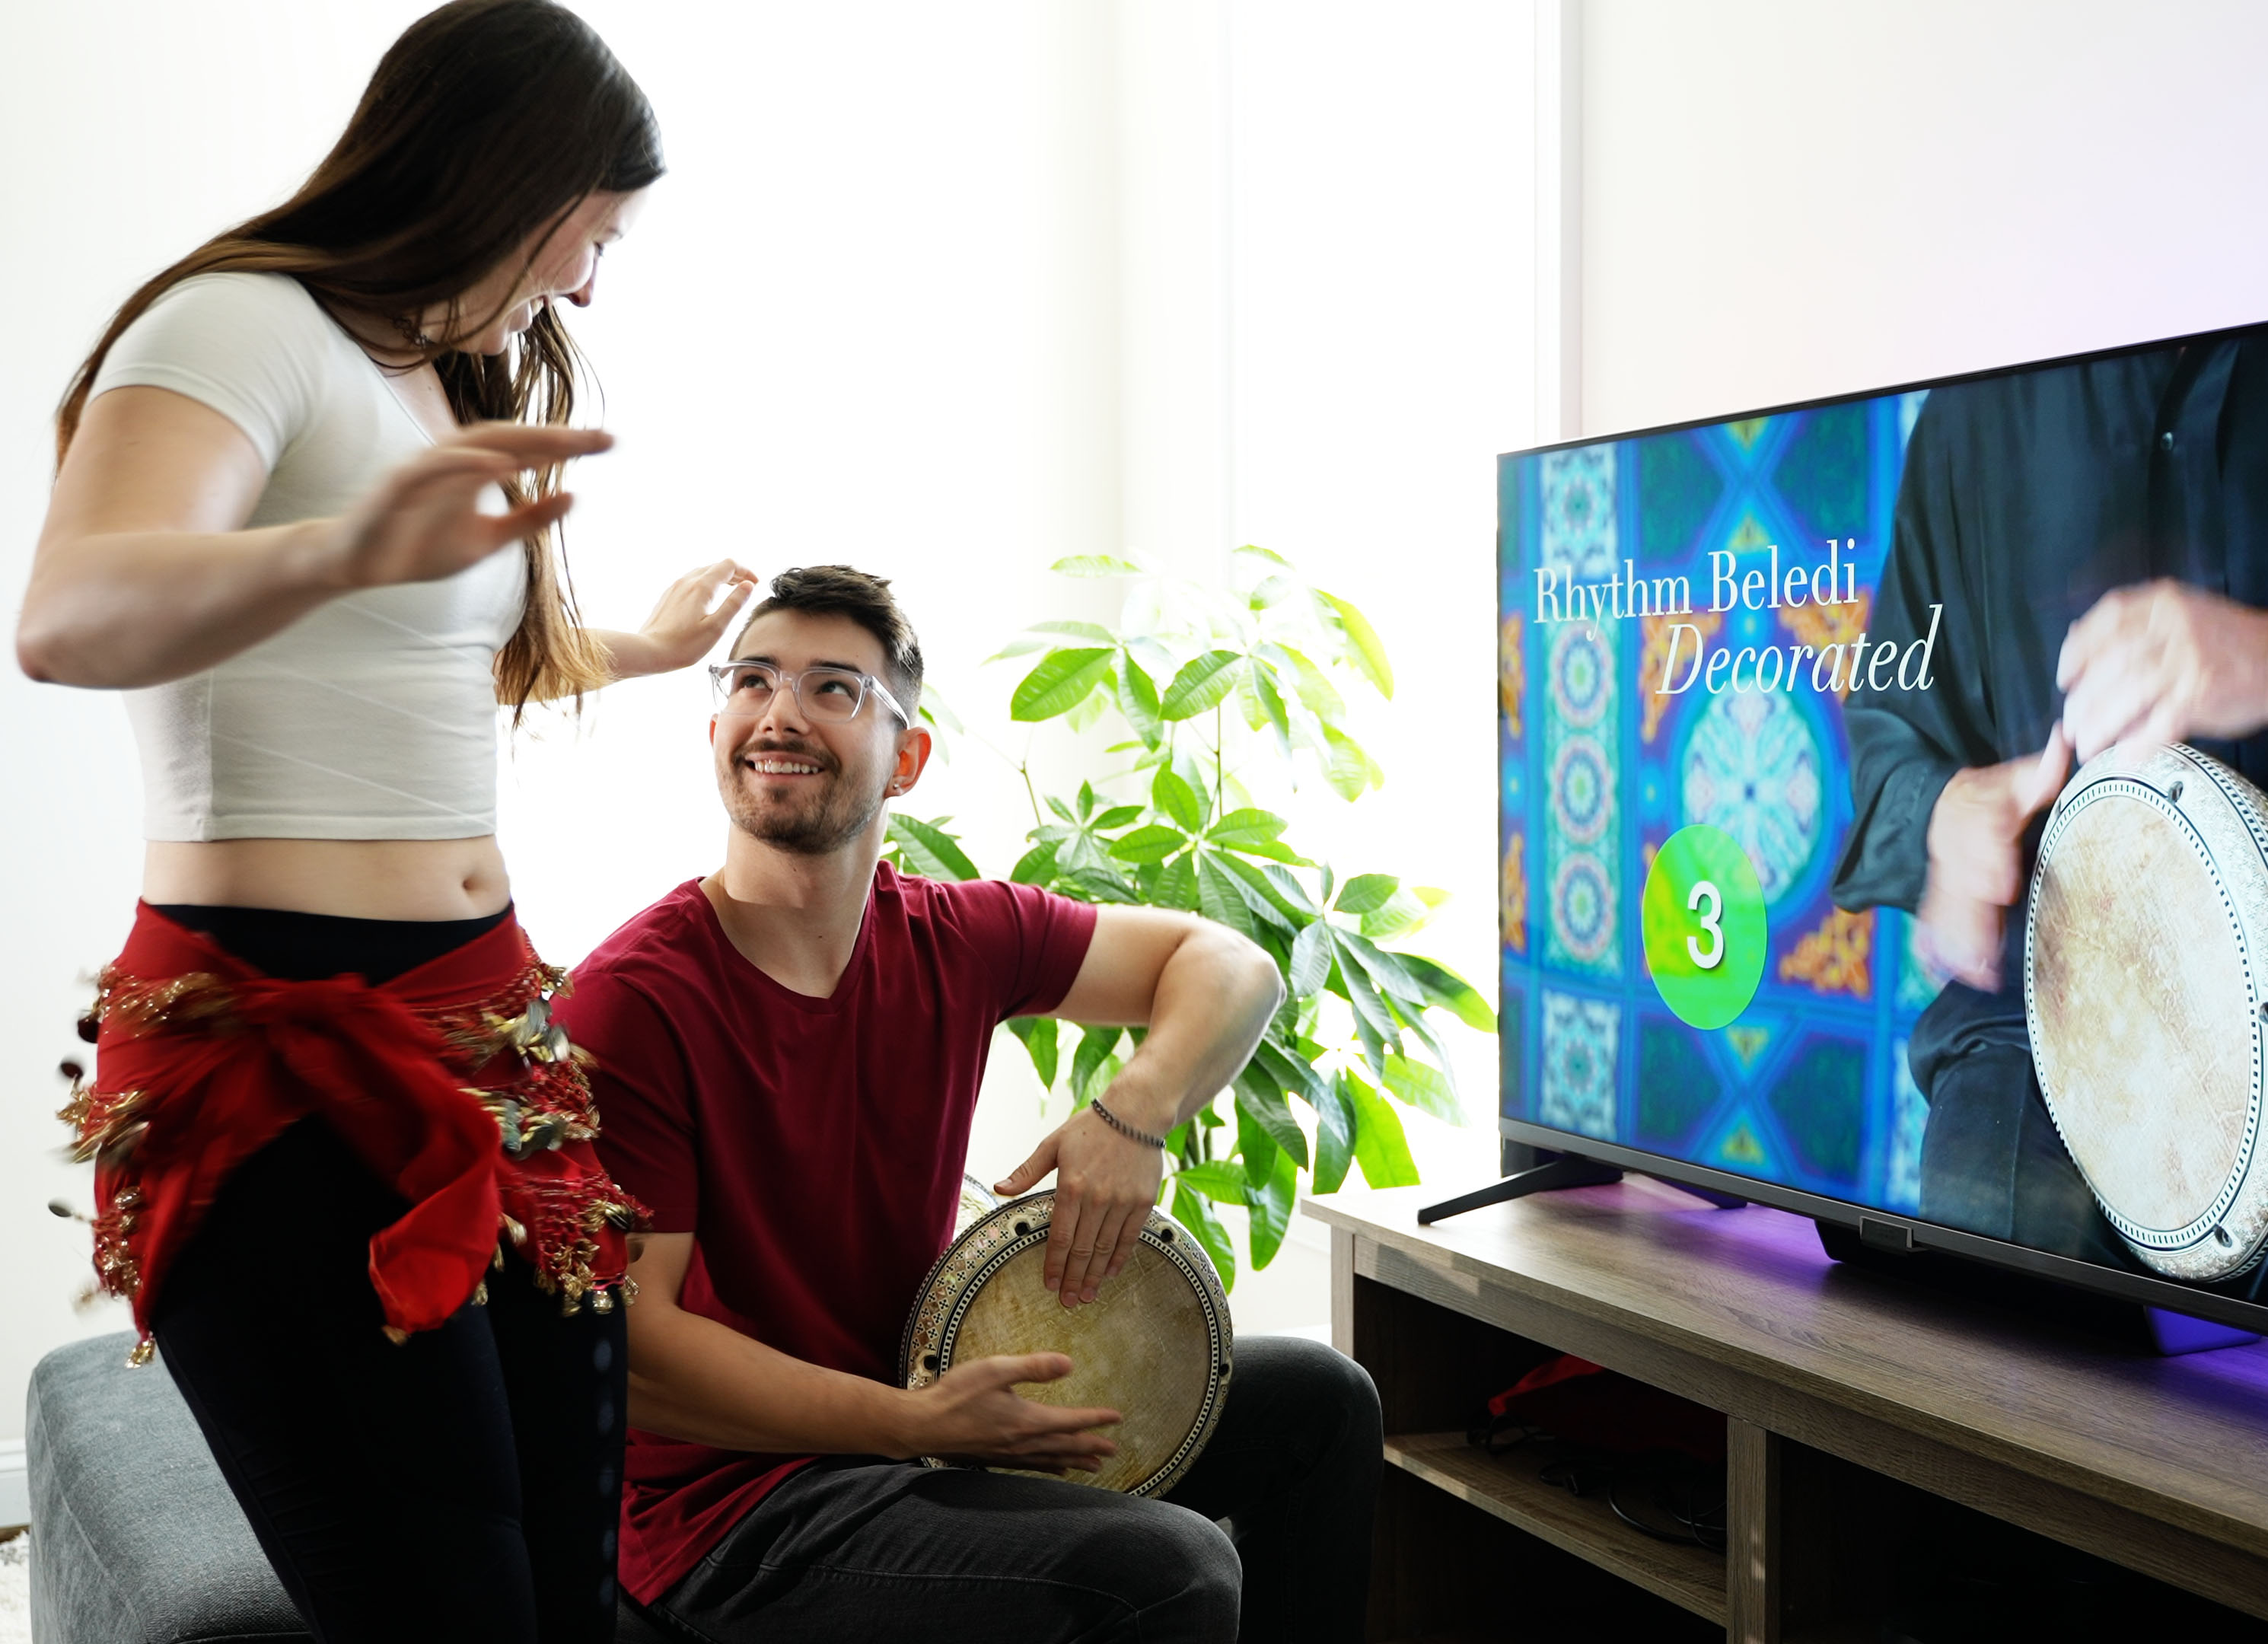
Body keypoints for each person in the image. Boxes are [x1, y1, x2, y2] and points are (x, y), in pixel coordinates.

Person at [17, 4, 753, 1639]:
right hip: (279, 1039)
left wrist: (641, 649)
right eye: (592, 233)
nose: (583, 281)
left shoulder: (429, 373)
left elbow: (397, 665)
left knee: (574, 1565)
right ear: (516, 174)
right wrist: (345, 552)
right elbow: (69, 613)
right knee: (447, 1600)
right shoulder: (232, 326)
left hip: (486, 1019)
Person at [558, 565, 1384, 1643]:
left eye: (833, 688)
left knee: (1322, 1404)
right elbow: (641, 1356)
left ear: (908, 759)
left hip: (921, 1419)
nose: (780, 713)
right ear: (717, 724)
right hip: (733, 1508)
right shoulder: (632, 1001)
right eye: (752, 680)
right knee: (1169, 1570)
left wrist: (1136, 1110)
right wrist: (911, 1423)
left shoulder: (956, 934)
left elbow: (1233, 967)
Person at [1830, 286, 2268, 1364]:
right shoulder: (1975, 420)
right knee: (1984, 1279)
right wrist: (1941, 815)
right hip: (2054, 1031)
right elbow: (1891, 730)